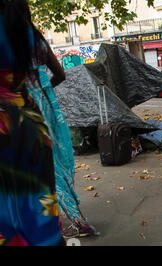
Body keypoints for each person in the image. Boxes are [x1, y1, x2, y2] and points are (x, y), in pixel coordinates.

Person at [13, 0, 97, 238]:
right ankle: (74, 220)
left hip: (21, 113)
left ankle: (49, 227)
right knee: (55, 166)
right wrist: (43, 90)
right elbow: (59, 74)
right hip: (49, 112)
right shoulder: (37, 40)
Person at [0, 0, 64, 245]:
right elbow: (60, 74)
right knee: (42, 192)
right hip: (32, 124)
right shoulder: (32, 37)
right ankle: (49, 237)